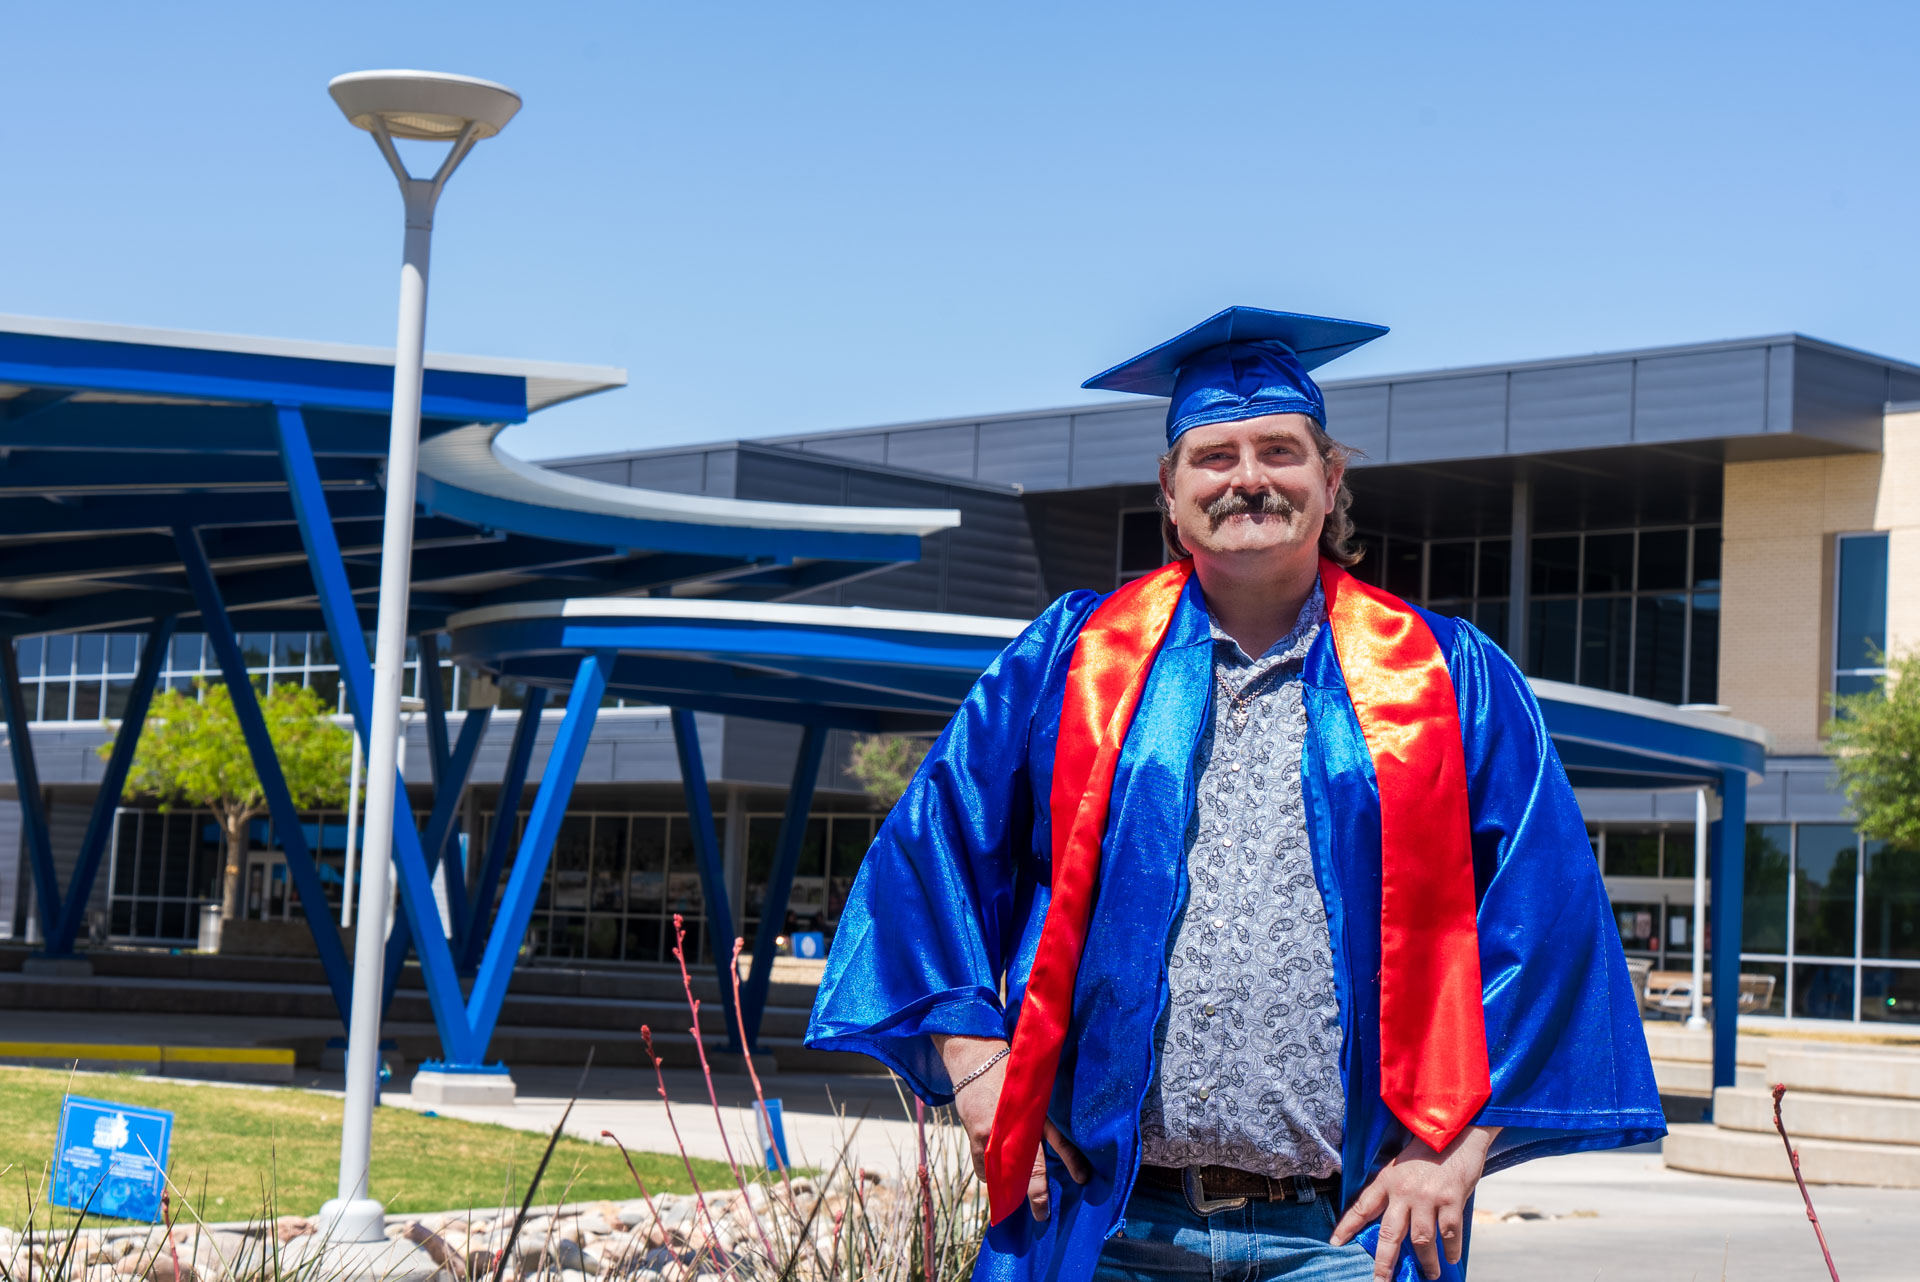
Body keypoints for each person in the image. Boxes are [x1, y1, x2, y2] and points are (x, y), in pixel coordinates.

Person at [806, 307, 1664, 1282]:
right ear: (1170, 491)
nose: (1248, 476)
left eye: (1279, 451)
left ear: (1331, 479)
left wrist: (1456, 1152)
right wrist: (980, 1064)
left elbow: (1547, 919)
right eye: (1214, 455)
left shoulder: (1444, 675)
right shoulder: (1073, 661)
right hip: (1111, 1223)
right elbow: (930, 853)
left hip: (1343, 1239)